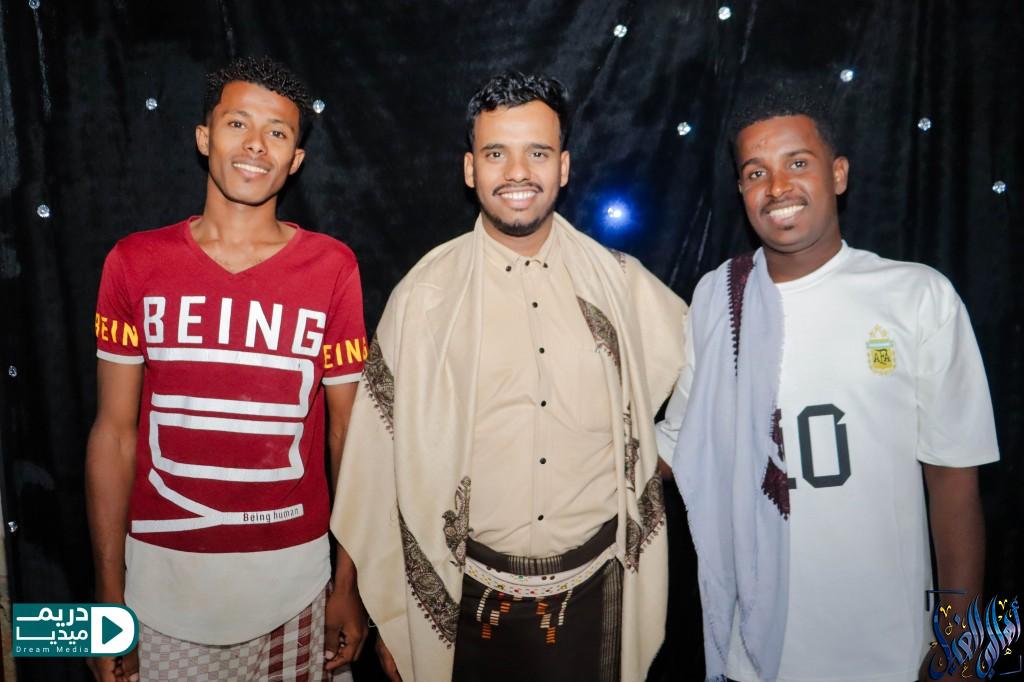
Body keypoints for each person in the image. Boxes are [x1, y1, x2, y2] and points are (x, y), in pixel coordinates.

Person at [330, 71, 688, 682]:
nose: (518, 172)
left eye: (538, 153)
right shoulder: (424, 298)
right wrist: (386, 611)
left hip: (596, 594)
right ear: (470, 169)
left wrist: (660, 453)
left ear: (564, 167)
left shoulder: (619, 282)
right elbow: (374, 464)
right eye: (497, 153)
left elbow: (707, 371)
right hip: (463, 603)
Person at [657, 84, 1000, 682]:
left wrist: (961, 644)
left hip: (885, 650)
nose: (777, 187)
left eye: (798, 163)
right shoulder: (718, 297)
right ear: (741, 190)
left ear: (837, 174)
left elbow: (953, 482)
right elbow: (677, 442)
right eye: (756, 172)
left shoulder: (916, 295)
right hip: (753, 653)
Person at [86, 56, 368, 681]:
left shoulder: (333, 268)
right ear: (203, 136)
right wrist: (107, 599)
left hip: (297, 583)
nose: (256, 144)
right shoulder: (133, 262)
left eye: (277, 131)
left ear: (296, 159)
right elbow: (113, 434)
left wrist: (350, 582)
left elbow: (349, 436)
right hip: (162, 586)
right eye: (238, 123)